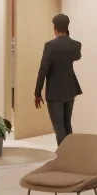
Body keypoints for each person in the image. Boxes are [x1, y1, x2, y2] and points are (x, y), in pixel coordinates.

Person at [32, 12, 83, 140]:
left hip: (55, 92)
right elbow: (77, 57)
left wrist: (37, 93)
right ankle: (70, 153)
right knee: (67, 124)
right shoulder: (76, 45)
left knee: (58, 126)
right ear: (67, 27)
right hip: (70, 89)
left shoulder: (50, 46)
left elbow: (43, 70)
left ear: (55, 28)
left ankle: (63, 156)